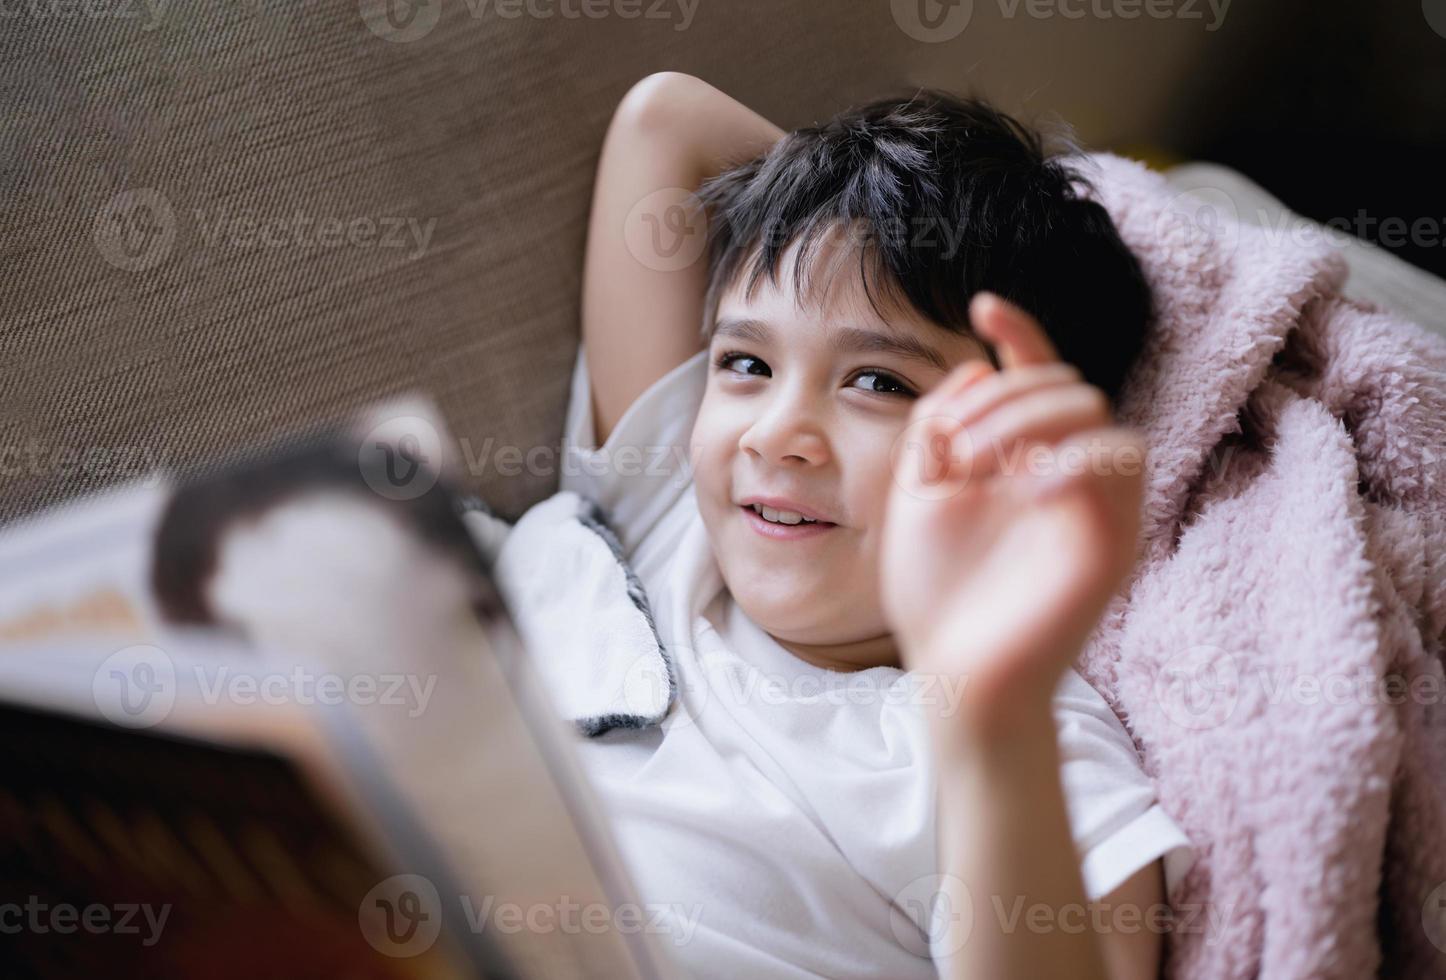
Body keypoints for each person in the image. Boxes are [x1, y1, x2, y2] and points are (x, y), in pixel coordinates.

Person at [564, 71, 1193, 979]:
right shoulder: (668, 511)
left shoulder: (1020, 734)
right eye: (745, 360)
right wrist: (848, 200)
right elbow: (665, 119)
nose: (778, 433)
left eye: (880, 382)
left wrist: (992, 719)